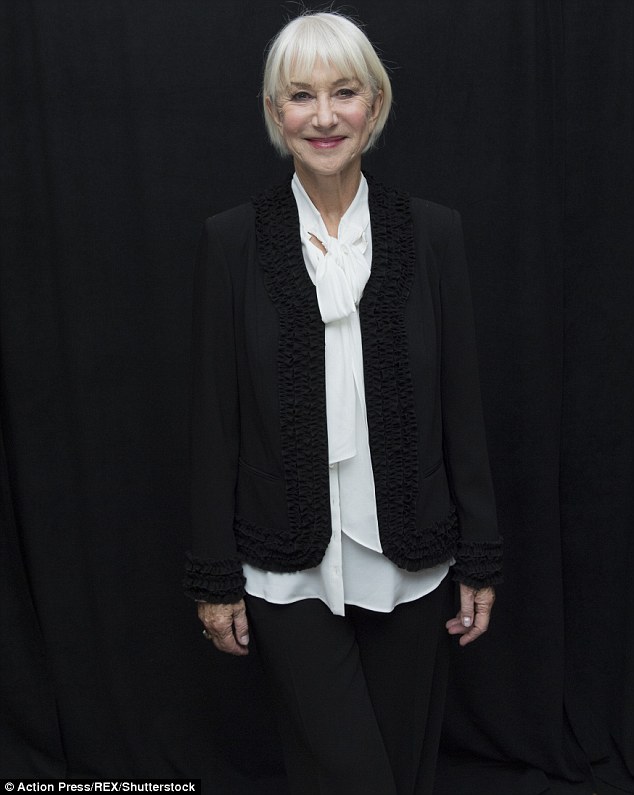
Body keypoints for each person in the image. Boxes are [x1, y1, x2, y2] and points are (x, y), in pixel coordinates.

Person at [184, 11, 502, 795]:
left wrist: (481, 555)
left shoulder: (433, 234)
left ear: (377, 104)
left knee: (399, 768)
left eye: (344, 92)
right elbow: (211, 420)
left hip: (412, 551)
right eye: (300, 96)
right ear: (273, 114)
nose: (323, 116)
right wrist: (214, 575)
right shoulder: (231, 243)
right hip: (284, 557)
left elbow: (463, 406)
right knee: (350, 772)